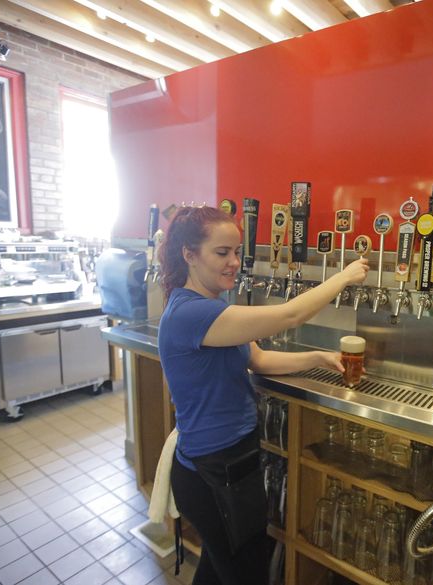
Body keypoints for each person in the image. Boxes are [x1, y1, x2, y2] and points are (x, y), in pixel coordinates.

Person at [157, 205, 369, 585]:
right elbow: (289, 316)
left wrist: (319, 357)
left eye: (236, 252)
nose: (233, 262)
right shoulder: (190, 314)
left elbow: (258, 358)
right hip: (213, 473)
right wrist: (344, 277)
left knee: (218, 567)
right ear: (189, 254)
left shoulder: (212, 306)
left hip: (230, 464)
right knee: (246, 572)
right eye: (222, 253)